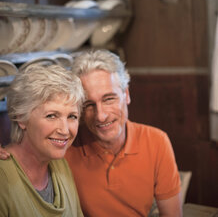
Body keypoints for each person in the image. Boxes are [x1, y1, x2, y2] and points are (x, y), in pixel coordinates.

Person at [0, 50, 182, 217]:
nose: (101, 116)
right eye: (88, 105)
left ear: (126, 94)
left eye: (109, 98)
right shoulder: (63, 150)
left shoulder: (156, 141)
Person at [0, 64, 84, 217]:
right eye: (51, 116)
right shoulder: (2, 177)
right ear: (21, 118)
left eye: (72, 116)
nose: (65, 130)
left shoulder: (61, 165)